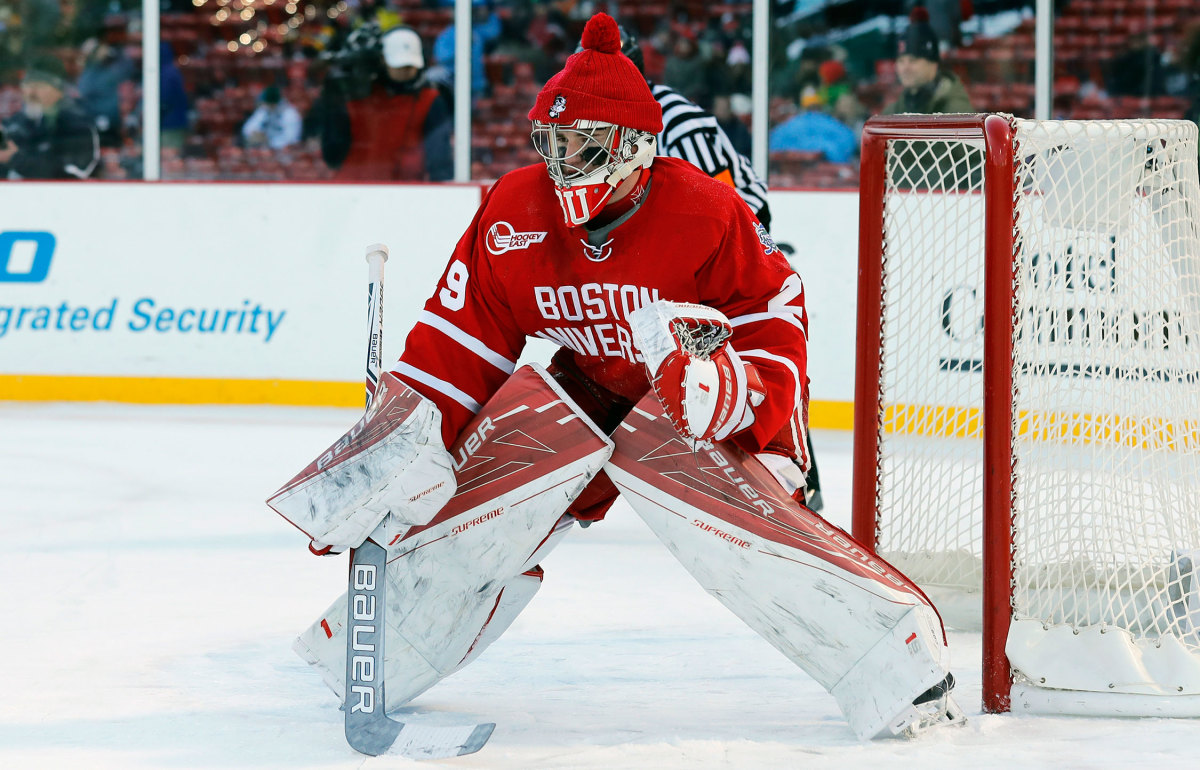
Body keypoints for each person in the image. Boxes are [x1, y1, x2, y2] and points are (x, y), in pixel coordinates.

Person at [272, 13, 961, 744]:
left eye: (583, 144)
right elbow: (458, 339)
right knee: (496, 480)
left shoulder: (703, 209)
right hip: (594, 386)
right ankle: (369, 654)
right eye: (552, 141)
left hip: (707, 393)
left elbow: (774, 310)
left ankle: (900, 659)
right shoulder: (513, 212)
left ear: (635, 148)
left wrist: (739, 394)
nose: (562, 161)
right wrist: (401, 439)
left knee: (733, 534)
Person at [315, 24, 452, 181]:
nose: (405, 71)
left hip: (406, 191)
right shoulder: (356, 96)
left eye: (410, 65)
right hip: (352, 187)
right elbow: (332, 155)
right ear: (382, 60)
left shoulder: (430, 100)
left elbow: (440, 161)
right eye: (399, 65)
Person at [0, 55, 99, 180]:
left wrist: (14, 159)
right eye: (27, 85)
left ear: (58, 91)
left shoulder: (78, 126)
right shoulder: (13, 125)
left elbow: (72, 176)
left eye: (39, 86)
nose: (31, 92)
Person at [881, 6, 972, 115]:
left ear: (933, 65)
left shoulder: (958, 113)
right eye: (901, 61)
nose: (905, 68)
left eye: (913, 60)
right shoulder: (892, 112)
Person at [241, 85, 302, 150]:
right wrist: (254, 133)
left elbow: (291, 139)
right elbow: (247, 128)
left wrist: (270, 142)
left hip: (281, 150)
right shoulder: (264, 110)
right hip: (263, 148)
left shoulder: (290, 114)